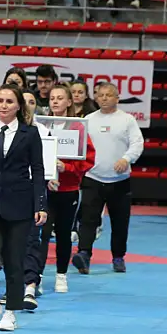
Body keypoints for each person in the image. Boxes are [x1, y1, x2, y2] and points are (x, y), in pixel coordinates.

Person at [0, 85, 46, 331]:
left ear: (19, 106)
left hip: (19, 204)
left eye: (9, 101)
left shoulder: (30, 133)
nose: (4, 105)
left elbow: (38, 170)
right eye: (0, 100)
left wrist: (40, 204)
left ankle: (10, 311)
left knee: (14, 260)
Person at [73, 82, 142, 274]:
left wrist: (126, 159)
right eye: (100, 95)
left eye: (108, 95)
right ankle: (84, 254)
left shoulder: (127, 120)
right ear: (95, 97)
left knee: (120, 222)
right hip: (92, 178)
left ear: (117, 98)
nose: (104, 98)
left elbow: (137, 143)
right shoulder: (88, 119)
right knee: (87, 219)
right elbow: (79, 146)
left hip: (119, 181)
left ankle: (118, 257)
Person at [35, 84, 93, 294]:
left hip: (68, 190)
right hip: (46, 190)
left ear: (70, 102)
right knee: (41, 233)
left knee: (63, 234)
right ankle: (37, 276)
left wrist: (66, 167)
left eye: (60, 98)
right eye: (52, 98)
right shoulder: (41, 126)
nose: (56, 102)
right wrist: (46, 175)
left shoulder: (78, 128)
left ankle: (61, 275)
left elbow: (88, 159)